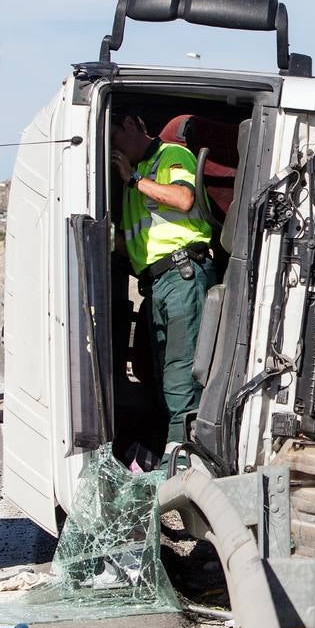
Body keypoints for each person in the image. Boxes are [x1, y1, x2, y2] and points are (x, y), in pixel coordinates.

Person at [110, 112, 217, 450]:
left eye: (113, 139)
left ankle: (184, 460)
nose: (114, 149)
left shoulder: (171, 156)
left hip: (182, 275)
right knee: (158, 376)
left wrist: (132, 180)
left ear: (131, 124)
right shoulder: (134, 181)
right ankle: (171, 452)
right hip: (157, 284)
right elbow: (129, 245)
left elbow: (184, 199)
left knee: (181, 378)